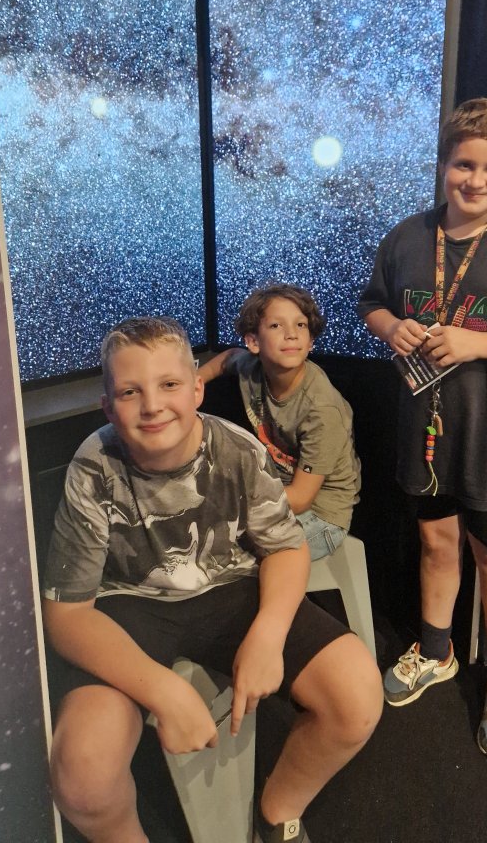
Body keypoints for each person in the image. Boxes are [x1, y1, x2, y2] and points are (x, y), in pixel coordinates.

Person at [42, 316, 382, 843]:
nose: (152, 405)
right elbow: (67, 614)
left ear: (197, 389)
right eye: (130, 392)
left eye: (169, 384)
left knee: (357, 698)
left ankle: (278, 813)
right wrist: (162, 691)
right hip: (129, 604)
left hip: (231, 586)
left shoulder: (238, 450)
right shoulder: (93, 467)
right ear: (108, 406)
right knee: (82, 774)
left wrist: (269, 633)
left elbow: (286, 546)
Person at [357, 98, 487, 761]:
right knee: (436, 542)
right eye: (463, 164)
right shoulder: (406, 237)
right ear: (443, 164)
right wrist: (391, 326)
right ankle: (436, 650)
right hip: (426, 431)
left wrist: (475, 343)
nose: (475, 180)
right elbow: (371, 304)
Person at [199, 284, 361, 560]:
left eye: (300, 325)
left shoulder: (322, 409)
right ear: (253, 342)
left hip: (320, 515)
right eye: (276, 325)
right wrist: (190, 386)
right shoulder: (253, 367)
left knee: (231, 559)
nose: (291, 334)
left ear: (310, 341)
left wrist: (233, 501)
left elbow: (301, 498)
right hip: (276, 493)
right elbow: (227, 359)